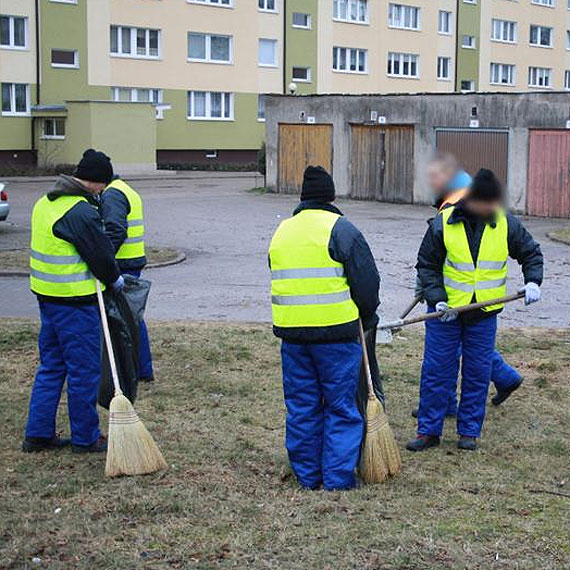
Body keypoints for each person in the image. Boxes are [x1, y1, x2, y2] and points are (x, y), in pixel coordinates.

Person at [407, 169, 543, 452]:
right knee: (436, 371)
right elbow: (427, 265)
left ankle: (469, 430)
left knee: (477, 372)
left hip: (483, 314)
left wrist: (533, 281)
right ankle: (428, 431)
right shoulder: (443, 223)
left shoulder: (505, 223)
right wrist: (438, 298)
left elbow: (530, 252)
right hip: (446, 313)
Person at [269, 166, 380, 490]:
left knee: (302, 406)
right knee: (341, 406)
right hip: (336, 336)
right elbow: (367, 282)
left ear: (303, 197)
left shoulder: (283, 231)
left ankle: (308, 475)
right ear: (330, 196)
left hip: (293, 336)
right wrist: (368, 315)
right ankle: (337, 477)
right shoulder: (342, 229)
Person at [23, 149, 124, 454]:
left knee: (51, 366)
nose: (103, 191)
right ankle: (86, 438)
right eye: (102, 185)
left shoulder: (45, 202)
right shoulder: (78, 211)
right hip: (74, 304)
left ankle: (37, 434)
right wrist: (114, 279)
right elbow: (101, 255)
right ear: (93, 182)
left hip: (47, 300)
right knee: (83, 371)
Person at [412, 154, 523, 420]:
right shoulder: (450, 203)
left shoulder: (457, 202)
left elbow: (438, 257)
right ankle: (452, 403)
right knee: (448, 357)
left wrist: (428, 290)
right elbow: (432, 257)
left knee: (465, 355)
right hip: (451, 299)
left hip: (473, 302)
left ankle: (498, 382)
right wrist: (431, 293)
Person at [101, 175, 154, 382]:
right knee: (132, 317)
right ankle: (142, 369)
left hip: (121, 263)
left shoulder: (112, 194)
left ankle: (135, 370)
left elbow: (116, 229)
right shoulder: (125, 189)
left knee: (126, 320)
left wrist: (103, 258)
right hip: (131, 260)